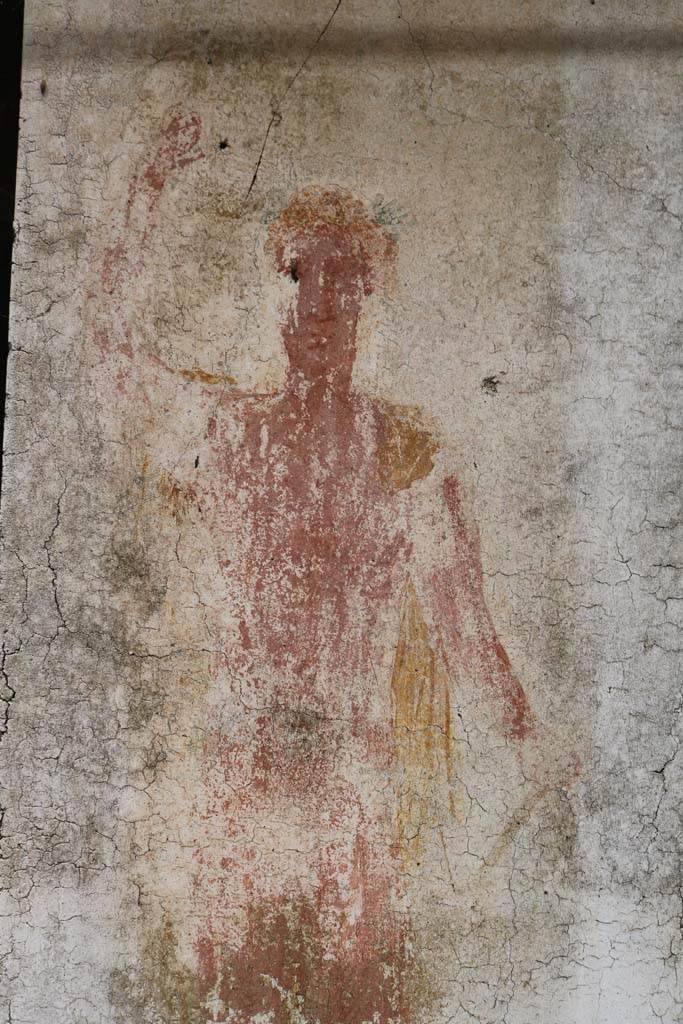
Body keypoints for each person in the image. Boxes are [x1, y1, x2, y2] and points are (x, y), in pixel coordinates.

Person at [92, 114, 534, 1024]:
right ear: (275, 287)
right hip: (238, 786)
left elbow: (471, 639)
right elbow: (110, 357)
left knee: (360, 1001)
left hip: (352, 794)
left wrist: (537, 748)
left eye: (345, 278)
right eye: (300, 273)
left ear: (372, 298)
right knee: (233, 1000)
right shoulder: (228, 434)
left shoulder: (411, 456)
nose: (320, 301)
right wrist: (142, 195)